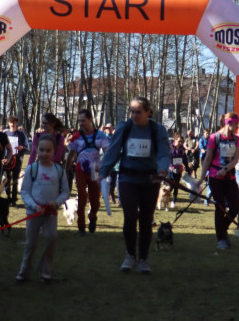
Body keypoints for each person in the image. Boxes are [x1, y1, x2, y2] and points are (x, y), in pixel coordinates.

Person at [100, 96, 171, 273]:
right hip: (128, 179)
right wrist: (103, 171)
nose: (134, 115)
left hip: (150, 180)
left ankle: (143, 260)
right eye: (132, 111)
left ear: (148, 112)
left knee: (146, 220)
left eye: (138, 112)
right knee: (130, 216)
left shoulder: (157, 130)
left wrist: (162, 170)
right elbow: (113, 151)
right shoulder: (125, 127)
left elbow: (163, 153)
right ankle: (130, 255)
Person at [16, 136, 69, 283]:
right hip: (34, 212)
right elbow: (25, 192)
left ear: (54, 151)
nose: (45, 153)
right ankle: (24, 271)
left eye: (48, 150)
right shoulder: (31, 169)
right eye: (42, 150)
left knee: (51, 238)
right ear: (36, 150)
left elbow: (65, 191)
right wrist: (34, 206)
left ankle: (45, 270)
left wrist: (56, 203)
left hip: (50, 213)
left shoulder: (59, 170)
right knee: (30, 244)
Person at [200, 112, 239, 249]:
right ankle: (221, 239)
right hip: (215, 176)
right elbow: (208, 158)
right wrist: (201, 177)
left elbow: (236, 158)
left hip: (230, 176)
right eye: (236, 124)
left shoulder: (236, 139)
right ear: (229, 123)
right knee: (220, 207)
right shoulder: (214, 137)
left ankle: (222, 231)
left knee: (235, 206)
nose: (237, 128)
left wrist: (226, 169)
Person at [65, 109, 109, 234]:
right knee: (82, 198)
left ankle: (93, 217)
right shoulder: (76, 136)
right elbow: (71, 154)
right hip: (80, 170)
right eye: (79, 121)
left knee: (95, 200)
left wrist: (106, 166)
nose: (81, 123)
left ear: (90, 119)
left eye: (83, 120)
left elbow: (107, 151)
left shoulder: (101, 135)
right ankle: (81, 226)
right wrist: (66, 170)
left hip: (95, 171)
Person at [3, 115, 29, 206]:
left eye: (14, 122)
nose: (12, 124)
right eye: (11, 122)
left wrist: (22, 148)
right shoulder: (5, 133)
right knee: (7, 179)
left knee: (15, 179)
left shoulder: (21, 134)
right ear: (8, 123)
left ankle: (13, 199)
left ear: (16, 123)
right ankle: (8, 196)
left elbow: (26, 147)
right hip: (7, 159)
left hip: (17, 159)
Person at [169, 133, 189, 205]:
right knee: (171, 185)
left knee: (176, 185)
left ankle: (173, 201)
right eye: (179, 141)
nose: (180, 143)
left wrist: (187, 168)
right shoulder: (170, 148)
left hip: (179, 169)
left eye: (181, 141)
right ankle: (164, 198)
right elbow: (168, 159)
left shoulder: (182, 149)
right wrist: (171, 167)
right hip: (170, 170)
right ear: (175, 140)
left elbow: (184, 159)